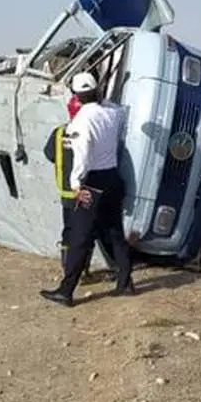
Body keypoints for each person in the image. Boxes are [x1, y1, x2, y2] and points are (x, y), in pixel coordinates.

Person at [40, 72, 134, 307]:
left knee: (80, 238)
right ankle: (125, 283)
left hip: (92, 182)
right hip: (113, 178)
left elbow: (81, 155)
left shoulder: (81, 121)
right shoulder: (112, 113)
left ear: (75, 96)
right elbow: (117, 108)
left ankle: (66, 290)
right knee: (114, 232)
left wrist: (76, 185)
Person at [44, 120, 116, 282]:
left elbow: (49, 154)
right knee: (86, 232)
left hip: (66, 191)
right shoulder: (90, 131)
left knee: (69, 232)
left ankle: (69, 270)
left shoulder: (59, 132)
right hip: (85, 192)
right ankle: (82, 272)